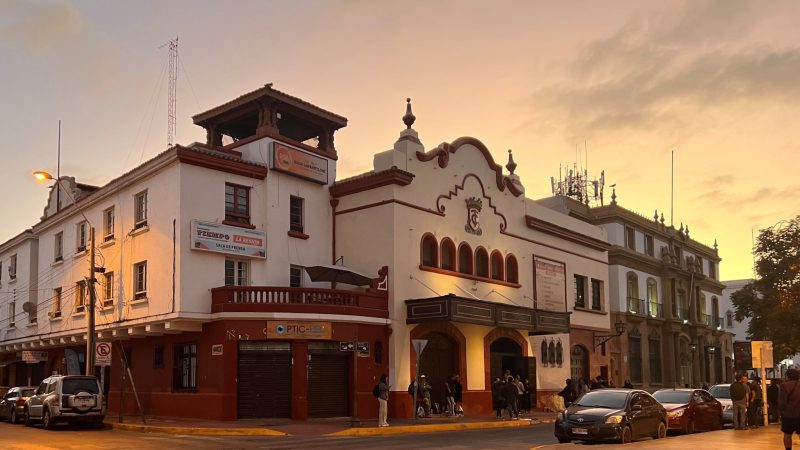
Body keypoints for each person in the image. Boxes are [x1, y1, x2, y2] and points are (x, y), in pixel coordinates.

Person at [779, 368, 800, 450]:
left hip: (789, 414)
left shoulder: (784, 386)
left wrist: (781, 412)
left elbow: (781, 402)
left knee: (787, 434)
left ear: (788, 376)